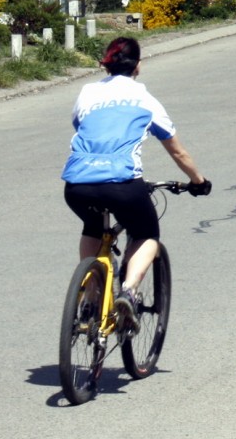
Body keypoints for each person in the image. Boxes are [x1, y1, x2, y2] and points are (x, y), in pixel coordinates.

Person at [62, 37, 210, 331]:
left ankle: (90, 298)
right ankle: (128, 291)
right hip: (123, 183)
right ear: (138, 67)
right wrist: (198, 181)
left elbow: (81, 127)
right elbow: (177, 151)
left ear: (107, 64)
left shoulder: (88, 92)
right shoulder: (145, 100)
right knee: (146, 233)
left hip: (77, 183)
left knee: (93, 227)